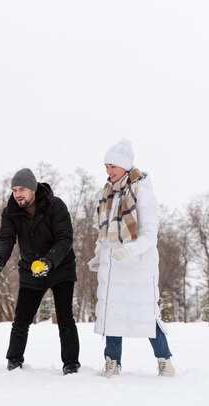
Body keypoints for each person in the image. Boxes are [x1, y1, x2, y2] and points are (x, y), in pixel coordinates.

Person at [87, 139, 175, 378]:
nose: (108, 170)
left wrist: (128, 251)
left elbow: (149, 235)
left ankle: (164, 360)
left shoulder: (142, 192)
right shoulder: (107, 193)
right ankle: (112, 361)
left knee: (145, 315)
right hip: (112, 265)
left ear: (126, 165)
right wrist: (98, 254)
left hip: (137, 267)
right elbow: (103, 233)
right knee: (111, 314)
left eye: (113, 165)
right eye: (106, 166)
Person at [0, 168, 80, 375]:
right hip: (30, 269)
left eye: (22, 189)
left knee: (65, 317)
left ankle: (71, 363)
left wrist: (49, 261)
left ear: (33, 188)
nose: (18, 194)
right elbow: (6, 238)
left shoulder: (55, 206)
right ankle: (14, 361)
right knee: (21, 319)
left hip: (60, 267)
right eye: (14, 190)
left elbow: (65, 238)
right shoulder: (11, 211)